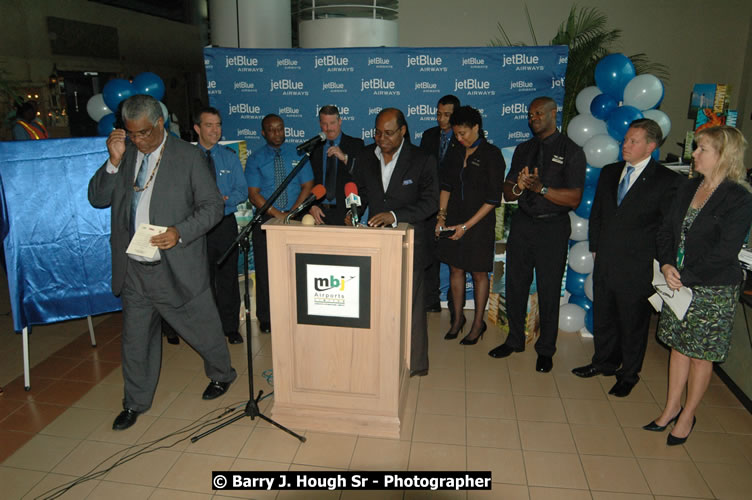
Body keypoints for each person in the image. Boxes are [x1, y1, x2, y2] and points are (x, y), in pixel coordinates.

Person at [88, 94, 237, 431]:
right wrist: (113, 161)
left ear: (159, 124)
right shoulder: (125, 155)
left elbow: (213, 206)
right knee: (135, 339)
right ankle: (135, 402)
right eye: (131, 134)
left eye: (143, 133)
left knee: (203, 328)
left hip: (176, 262)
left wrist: (179, 232)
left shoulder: (187, 157)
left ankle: (222, 373)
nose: (138, 140)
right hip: (135, 268)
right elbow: (97, 198)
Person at [645, 126, 752, 445]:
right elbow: (665, 230)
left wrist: (685, 275)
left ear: (724, 156)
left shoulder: (739, 198)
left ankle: (688, 415)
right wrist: (666, 264)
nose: (694, 154)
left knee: (700, 355)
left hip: (711, 288)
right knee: (678, 348)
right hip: (677, 280)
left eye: (702, 149)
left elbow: (725, 251)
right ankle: (670, 408)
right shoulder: (687, 187)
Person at [572, 119, 682, 397]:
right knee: (604, 314)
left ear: (651, 146)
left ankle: (629, 374)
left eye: (634, 141)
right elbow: (597, 213)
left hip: (638, 264)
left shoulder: (667, 181)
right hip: (605, 258)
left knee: (633, 322)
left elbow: (667, 228)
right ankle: (604, 362)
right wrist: (595, 246)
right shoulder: (610, 172)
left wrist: (662, 260)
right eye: (625, 140)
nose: (626, 145)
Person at [488, 96, 586, 373]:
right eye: (530, 115)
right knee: (515, 285)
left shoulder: (572, 151)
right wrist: (519, 186)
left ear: (554, 114)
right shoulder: (523, 149)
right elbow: (507, 192)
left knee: (549, 288)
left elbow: (574, 199)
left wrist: (542, 189)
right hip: (522, 223)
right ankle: (515, 339)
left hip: (553, 227)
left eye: (539, 113)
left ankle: (546, 349)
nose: (534, 118)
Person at [353, 108, 438, 376]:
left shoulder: (423, 159)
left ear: (403, 131)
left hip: (411, 239)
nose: (381, 138)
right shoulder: (366, 155)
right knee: (377, 304)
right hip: (378, 244)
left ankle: (415, 364)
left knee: (411, 307)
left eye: (388, 133)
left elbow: (431, 202)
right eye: (377, 132)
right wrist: (352, 211)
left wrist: (394, 216)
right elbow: (361, 192)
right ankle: (381, 357)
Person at [436, 106, 504, 345]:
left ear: (477, 127)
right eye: (456, 134)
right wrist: (441, 217)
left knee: (478, 273)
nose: (459, 138)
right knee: (455, 268)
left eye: (463, 133)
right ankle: (457, 319)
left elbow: (493, 199)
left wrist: (466, 226)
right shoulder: (454, 152)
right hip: (454, 218)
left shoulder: (491, 154)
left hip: (479, 223)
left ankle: (477, 323)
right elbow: (446, 186)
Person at [246, 114, 314, 333]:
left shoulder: (299, 153)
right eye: (271, 130)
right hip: (267, 219)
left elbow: (308, 185)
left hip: (296, 217)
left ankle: (296, 312)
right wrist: (277, 215)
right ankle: (266, 317)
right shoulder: (256, 159)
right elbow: (254, 194)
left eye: (280, 128)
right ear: (263, 133)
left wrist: (291, 213)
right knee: (266, 270)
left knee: (296, 269)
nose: (277, 133)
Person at [194, 107, 249, 344]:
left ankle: (230, 327)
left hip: (224, 224)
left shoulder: (229, 156)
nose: (215, 130)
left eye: (218, 125)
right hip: (197, 227)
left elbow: (241, 190)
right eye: (209, 125)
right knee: (201, 280)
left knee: (227, 278)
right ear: (197, 128)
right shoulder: (187, 157)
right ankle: (208, 328)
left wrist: (224, 200)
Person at [420, 95, 461, 313]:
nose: (441, 119)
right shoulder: (428, 136)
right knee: (429, 253)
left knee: (455, 257)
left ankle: (456, 302)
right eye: (438, 114)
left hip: (456, 205)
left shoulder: (465, 138)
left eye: (446, 115)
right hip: (430, 204)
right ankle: (431, 300)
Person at [308, 105, 364, 225]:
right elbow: (307, 181)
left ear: (340, 121)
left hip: (345, 214)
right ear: (319, 124)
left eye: (332, 123)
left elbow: (362, 177)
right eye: (324, 124)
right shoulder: (314, 148)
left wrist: (345, 158)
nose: (328, 128)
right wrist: (311, 206)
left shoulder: (355, 145)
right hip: (318, 213)